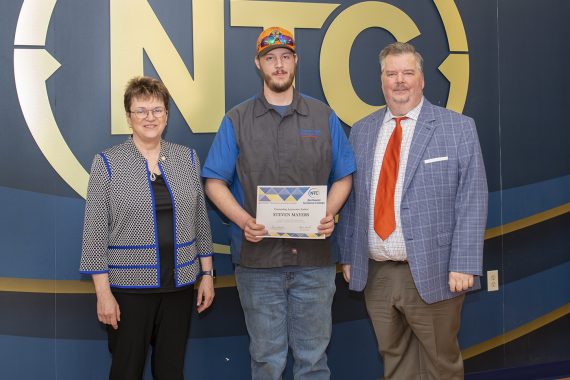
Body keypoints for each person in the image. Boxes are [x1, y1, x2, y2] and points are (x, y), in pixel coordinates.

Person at [202, 27, 355, 379]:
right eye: (270, 58)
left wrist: (329, 212)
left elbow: (344, 175)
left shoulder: (323, 116)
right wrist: (243, 221)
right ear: (259, 64)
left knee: (313, 362)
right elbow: (214, 182)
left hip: (314, 264)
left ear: (296, 61)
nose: (279, 64)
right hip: (258, 265)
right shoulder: (236, 120)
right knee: (267, 362)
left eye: (285, 56)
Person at [337, 42, 488, 380]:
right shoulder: (361, 131)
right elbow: (352, 199)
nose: (400, 80)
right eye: (392, 73)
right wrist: (348, 255)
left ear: (422, 79)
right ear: (381, 81)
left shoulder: (457, 128)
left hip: (435, 269)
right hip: (376, 273)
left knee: (440, 363)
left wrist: (464, 262)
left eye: (408, 72)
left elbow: (472, 197)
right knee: (395, 361)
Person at [79, 76, 214, 379]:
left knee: (171, 371)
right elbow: (94, 236)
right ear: (128, 118)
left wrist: (207, 275)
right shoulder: (107, 163)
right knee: (126, 371)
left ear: (167, 115)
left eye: (157, 110)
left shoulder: (187, 158)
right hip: (128, 292)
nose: (149, 118)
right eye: (141, 111)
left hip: (179, 287)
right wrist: (103, 294)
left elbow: (200, 222)